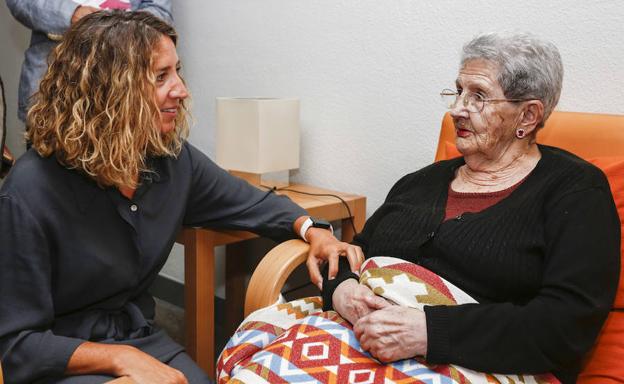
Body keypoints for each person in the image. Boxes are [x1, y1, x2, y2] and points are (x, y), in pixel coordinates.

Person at [0, 11, 360, 384]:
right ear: (109, 90)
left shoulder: (169, 160)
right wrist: (121, 360)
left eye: (177, 71)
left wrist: (313, 229)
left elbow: (251, 203)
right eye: (160, 76)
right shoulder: (28, 193)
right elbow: (16, 346)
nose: (181, 89)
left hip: (138, 335)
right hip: (61, 356)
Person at [317, 32, 620, 383]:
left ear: (527, 116)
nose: (456, 109)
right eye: (458, 91)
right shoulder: (418, 183)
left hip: (478, 366)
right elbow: (353, 254)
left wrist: (430, 332)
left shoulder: (576, 191)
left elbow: (567, 324)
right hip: (348, 340)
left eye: (478, 97)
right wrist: (342, 292)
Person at [5, 0, 173, 125]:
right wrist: (72, 14)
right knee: (48, 168)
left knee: (131, 165)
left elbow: (160, 11)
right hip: (55, 85)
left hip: (131, 85)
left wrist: (117, 27)